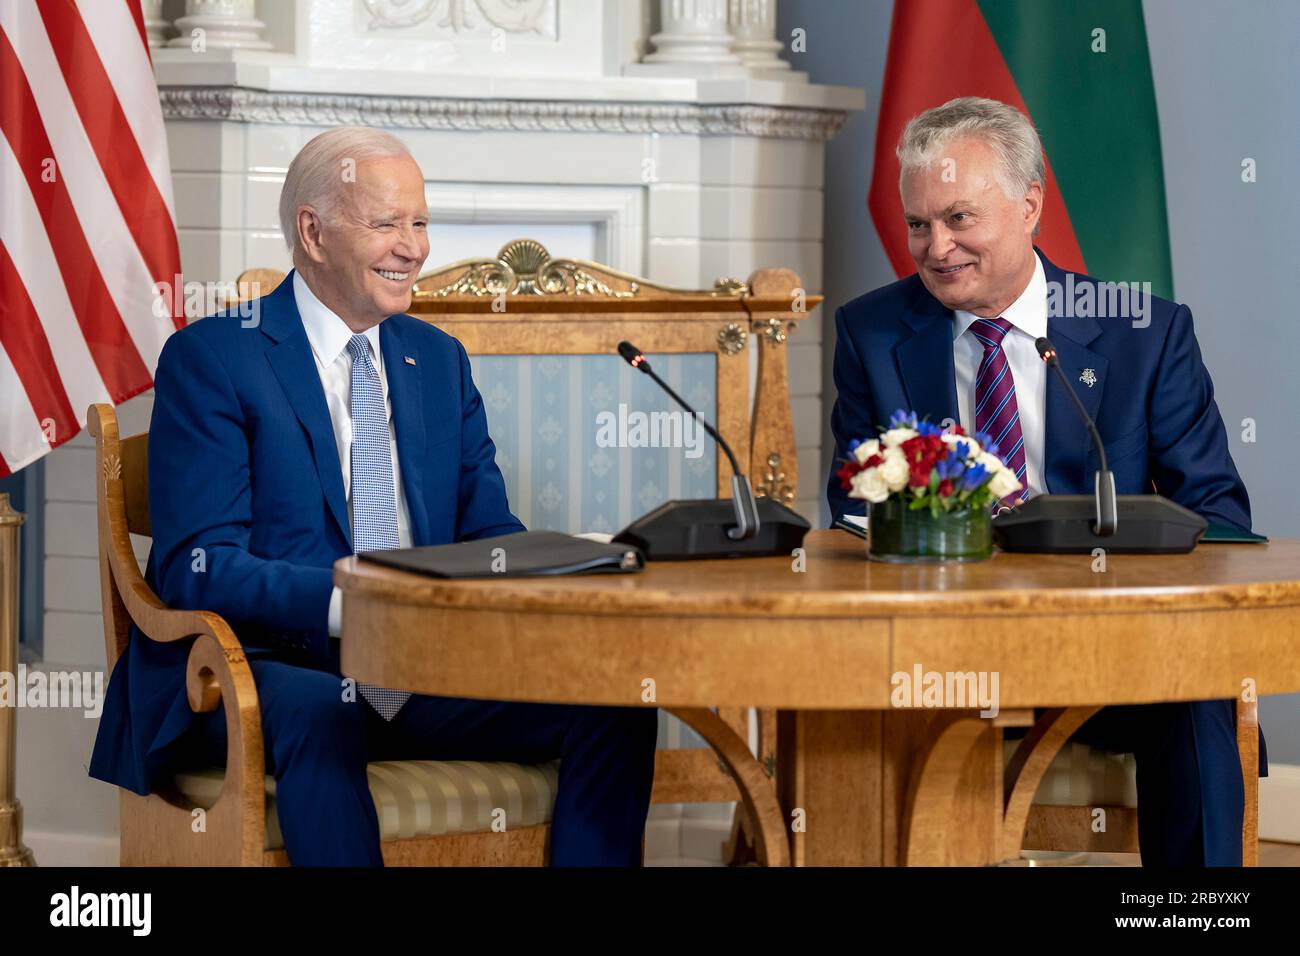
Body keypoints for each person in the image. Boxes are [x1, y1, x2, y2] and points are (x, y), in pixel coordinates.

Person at [89, 126, 658, 866]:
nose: (414, 246)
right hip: (264, 669)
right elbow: (200, 565)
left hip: (422, 669)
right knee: (327, 714)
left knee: (618, 706)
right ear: (313, 232)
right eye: (387, 223)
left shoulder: (438, 362)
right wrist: (353, 605)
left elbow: (490, 531)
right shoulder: (216, 359)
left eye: (419, 222)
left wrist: (568, 568)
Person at [826, 97, 1262, 865]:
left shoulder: (1144, 333)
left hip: (1110, 657)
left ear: (1030, 205)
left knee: (1199, 693)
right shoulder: (873, 331)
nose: (936, 247)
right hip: (933, 657)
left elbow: (1216, 516)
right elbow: (855, 507)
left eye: (960, 218)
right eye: (919, 224)